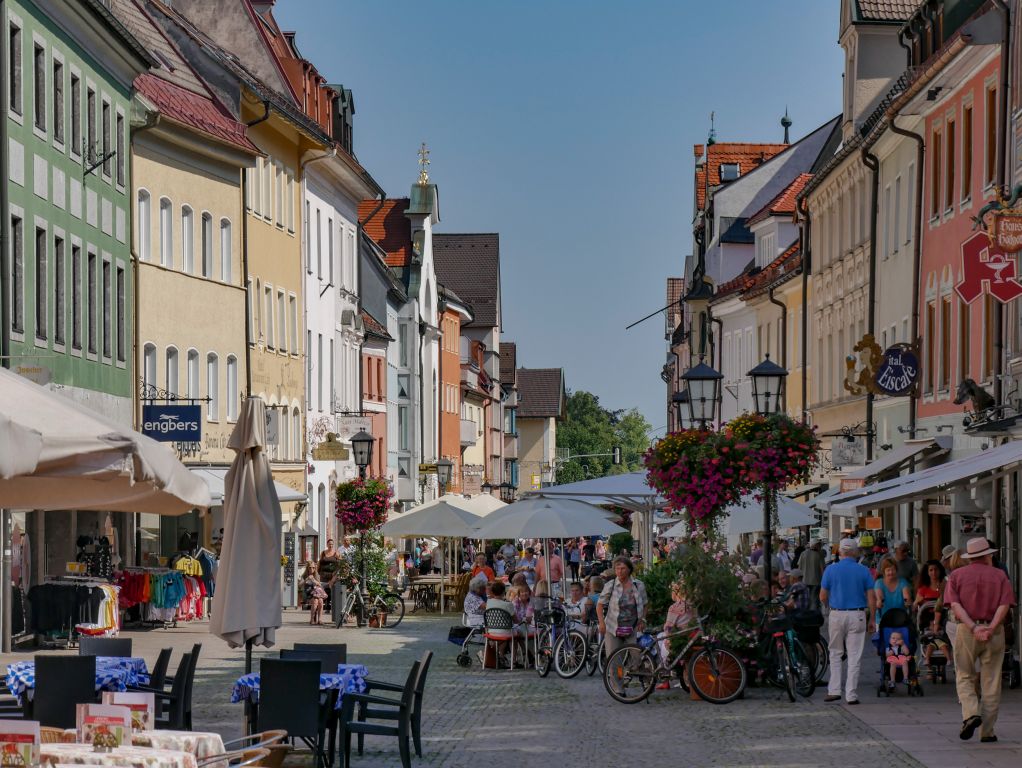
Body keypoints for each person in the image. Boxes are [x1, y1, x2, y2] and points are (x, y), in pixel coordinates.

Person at [944, 537, 1017, 742]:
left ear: (970, 557)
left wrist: (974, 627)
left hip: (967, 630)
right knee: (991, 680)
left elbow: (955, 606)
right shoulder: (1000, 576)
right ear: (988, 555)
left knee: (965, 675)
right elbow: (1005, 605)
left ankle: (970, 713)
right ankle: (987, 731)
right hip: (994, 631)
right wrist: (991, 627)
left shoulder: (956, 575)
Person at [820, 538, 876, 704]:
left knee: (835, 653)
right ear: (855, 552)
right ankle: (851, 694)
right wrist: (872, 618)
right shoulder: (863, 570)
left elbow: (822, 596)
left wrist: (829, 606)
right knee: (854, 655)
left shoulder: (830, 569)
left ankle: (834, 690)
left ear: (840, 552)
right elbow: (871, 597)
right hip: (857, 614)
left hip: (837, 614)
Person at [596, 557, 648, 660]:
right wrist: (601, 622)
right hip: (613, 627)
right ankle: (617, 676)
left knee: (637, 658)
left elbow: (645, 604)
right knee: (614, 660)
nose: (620, 571)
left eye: (623, 568)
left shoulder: (638, 585)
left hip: (633, 628)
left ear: (629, 569)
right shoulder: (610, 585)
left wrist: (643, 619)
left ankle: (633, 675)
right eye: (617, 568)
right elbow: (600, 604)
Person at [655, 580, 693, 688]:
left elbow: (668, 628)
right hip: (690, 635)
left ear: (676, 592)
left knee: (661, 638)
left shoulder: (675, 607)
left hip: (679, 638)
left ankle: (665, 678)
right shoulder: (692, 605)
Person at [874, 556, 912, 623]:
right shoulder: (879, 583)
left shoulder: (902, 582)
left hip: (900, 619)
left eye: (893, 569)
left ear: (896, 570)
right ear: (884, 572)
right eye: (888, 570)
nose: (891, 572)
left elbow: (906, 595)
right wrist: (879, 601)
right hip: (883, 619)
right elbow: (879, 596)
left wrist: (907, 600)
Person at [800, 539, 825, 611]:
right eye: (819, 545)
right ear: (816, 545)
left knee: (805, 598)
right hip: (816, 581)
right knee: (814, 599)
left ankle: (805, 613)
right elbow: (823, 569)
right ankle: (813, 615)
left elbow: (800, 567)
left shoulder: (803, 553)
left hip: (804, 580)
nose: (820, 547)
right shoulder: (819, 555)